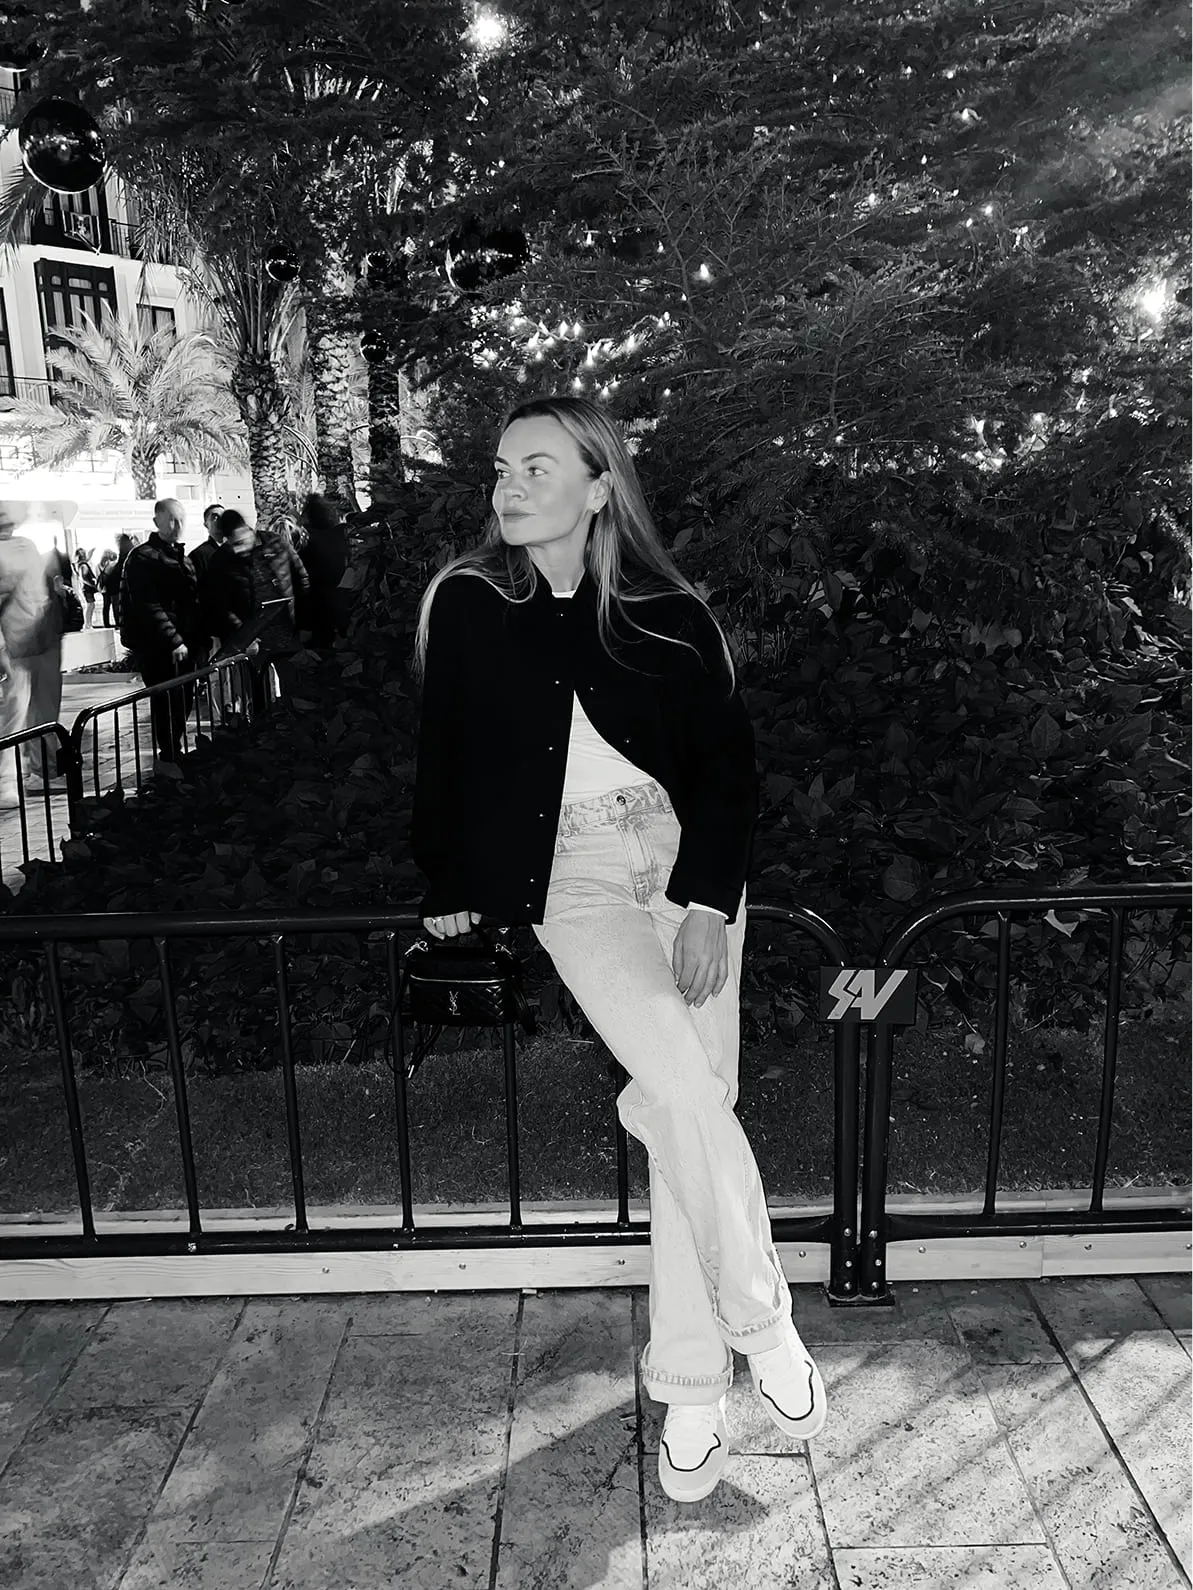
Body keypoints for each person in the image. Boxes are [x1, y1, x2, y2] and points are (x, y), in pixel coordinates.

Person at [410, 396, 827, 1506]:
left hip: (684, 864)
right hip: (572, 877)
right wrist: (446, 882)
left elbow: (729, 773)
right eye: (501, 468)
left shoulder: (667, 614)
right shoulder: (468, 604)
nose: (507, 486)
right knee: (686, 1093)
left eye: (536, 468)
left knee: (689, 1110)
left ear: (599, 488)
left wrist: (708, 903)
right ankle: (762, 1321)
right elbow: (443, 755)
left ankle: (690, 1386)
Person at [118, 499, 205, 764]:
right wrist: (173, 640)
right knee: (166, 700)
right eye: (171, 519)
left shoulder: (181, 557)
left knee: (183, 697)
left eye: (181, 519)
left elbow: (191, 602)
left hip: (183, 642)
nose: (177, 525)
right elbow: (148, 606)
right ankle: (169, 753)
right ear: (157, 521)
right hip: (157, 645)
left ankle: (173, 750)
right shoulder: (143, 558)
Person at [207, 507, 308, 710]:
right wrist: (244, 637)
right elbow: (220, 604)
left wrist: (305, 624)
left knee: (296, 691)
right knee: (256, 697)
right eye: (233, 544)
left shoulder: (276, 543)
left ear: (249, 531)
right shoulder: (222, 560)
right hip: (252, 642)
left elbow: (301, 580)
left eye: (240, 542)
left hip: (287, 633)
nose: (239, 550)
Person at [0, 503, 66, 805]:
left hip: (36, 641)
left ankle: (38, 771)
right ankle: (10, 779)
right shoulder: (23, 548)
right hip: (20, 646)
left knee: (36, 711)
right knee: (19, 713)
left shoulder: (25, 546)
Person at [297, 492, 349, 648]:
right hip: (341, 597)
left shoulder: (308, 543)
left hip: (318, 601)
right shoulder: (341, 535)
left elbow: (303, 582)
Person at [190, 502, 226, 659]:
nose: (219, 520)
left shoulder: (237, 551)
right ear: (206, 524)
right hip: (212, 634)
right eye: (214, 517)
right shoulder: (199, 555)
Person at [104, 533, 134, 630]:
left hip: (114, 588)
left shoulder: (116, 564)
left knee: (117, 607)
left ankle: (120, 625)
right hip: (122, 587)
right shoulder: (130, 558)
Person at [74, 547, 98, 628]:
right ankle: (87, 624)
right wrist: (91, 584)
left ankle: (88, 623)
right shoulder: (82, 565)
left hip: (86, 587)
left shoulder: (81, 564)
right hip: (86, 588)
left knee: (91, 605)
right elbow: (83, 578)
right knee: (89, 605)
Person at [96, 550, 118, 626]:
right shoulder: (111, 564)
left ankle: (106, 623)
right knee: (115, 605)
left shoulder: (98, 565)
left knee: (106, 606)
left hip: (104, 588)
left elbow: (98, 576)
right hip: (111, 586)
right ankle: (117, 623)